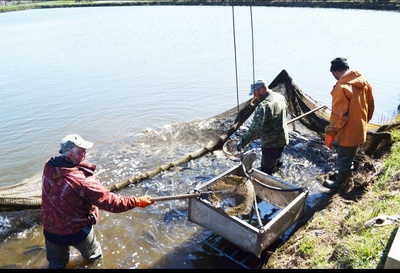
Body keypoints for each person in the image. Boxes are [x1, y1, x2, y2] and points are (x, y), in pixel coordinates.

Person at [40, 134, 154, 269]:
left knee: (56, 263)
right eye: (82, 151)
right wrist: (137, 201)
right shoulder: (82, 180)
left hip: (50, 229)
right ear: (70, 154)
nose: (85, 154)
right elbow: (112, 203)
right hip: (76, 230)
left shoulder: (49, 166)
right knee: (95, 257)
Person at [323, 57, 375, 189]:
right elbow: (371, 106)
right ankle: (345, 173)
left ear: (335, 72)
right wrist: (362, 123)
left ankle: (342, 184)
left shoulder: (342, 87)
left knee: (344, 159)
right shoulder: (363, 82)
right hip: (359, 129)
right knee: (346, 154)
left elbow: (338, 116)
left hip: (347, 132)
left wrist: (330, 133)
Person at [236, 79, 289, 175]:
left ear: (261, 90)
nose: (255, 96)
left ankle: (271, 184)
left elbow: (255, 129)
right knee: (276, 162)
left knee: (266, 171)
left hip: (270, 144)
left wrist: (243, 141)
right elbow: (286, 114)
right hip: (283, 139)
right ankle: (278, 174)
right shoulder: (280, 97)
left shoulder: (264, 106)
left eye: (255, 93)